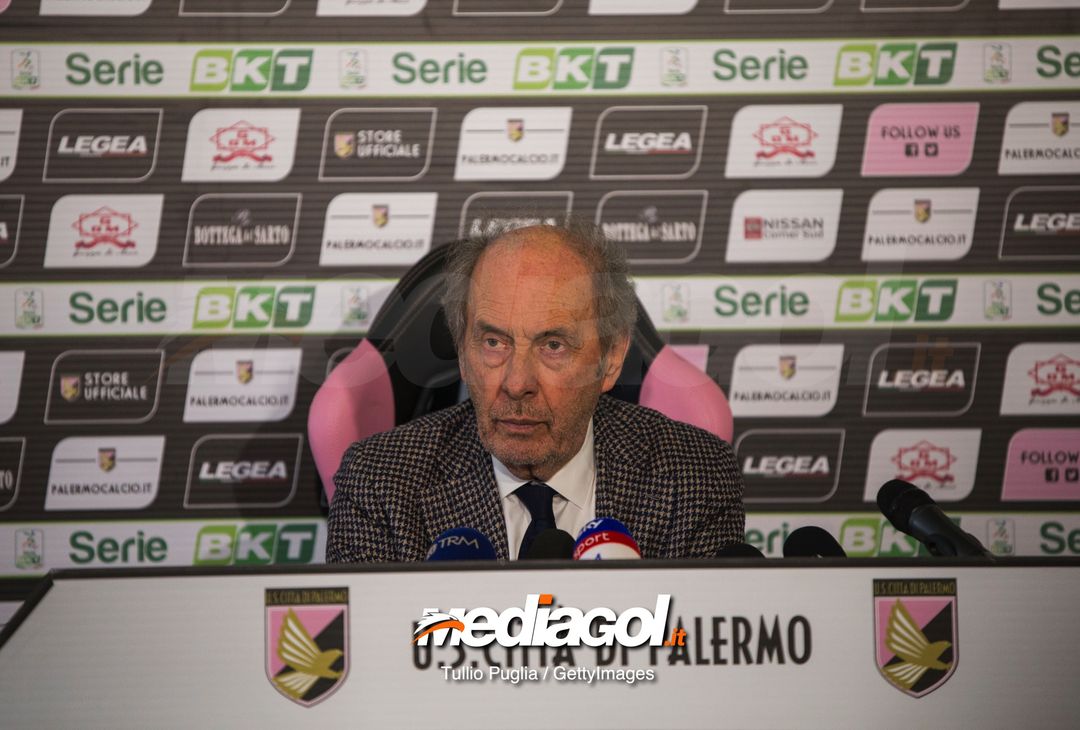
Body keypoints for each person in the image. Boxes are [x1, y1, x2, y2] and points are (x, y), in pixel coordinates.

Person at [326, 221, 744, 562]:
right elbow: (377, 656)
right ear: (461, 350)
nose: (516, 384)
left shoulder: (694, 475)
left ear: (612, 359)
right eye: (493, 343)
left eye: (553, 346)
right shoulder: (379, 483)